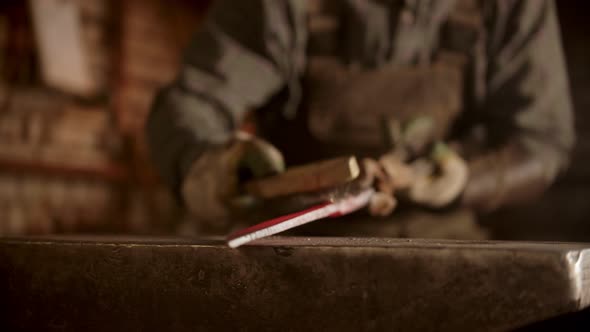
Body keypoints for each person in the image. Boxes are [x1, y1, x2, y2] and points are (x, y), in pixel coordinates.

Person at [146, 0, 574, 237]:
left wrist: (467, 179)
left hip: (447, 249)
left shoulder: (509, 8)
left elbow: (542, 139)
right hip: (298, 250)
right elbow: (193, 100)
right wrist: (199, 161)